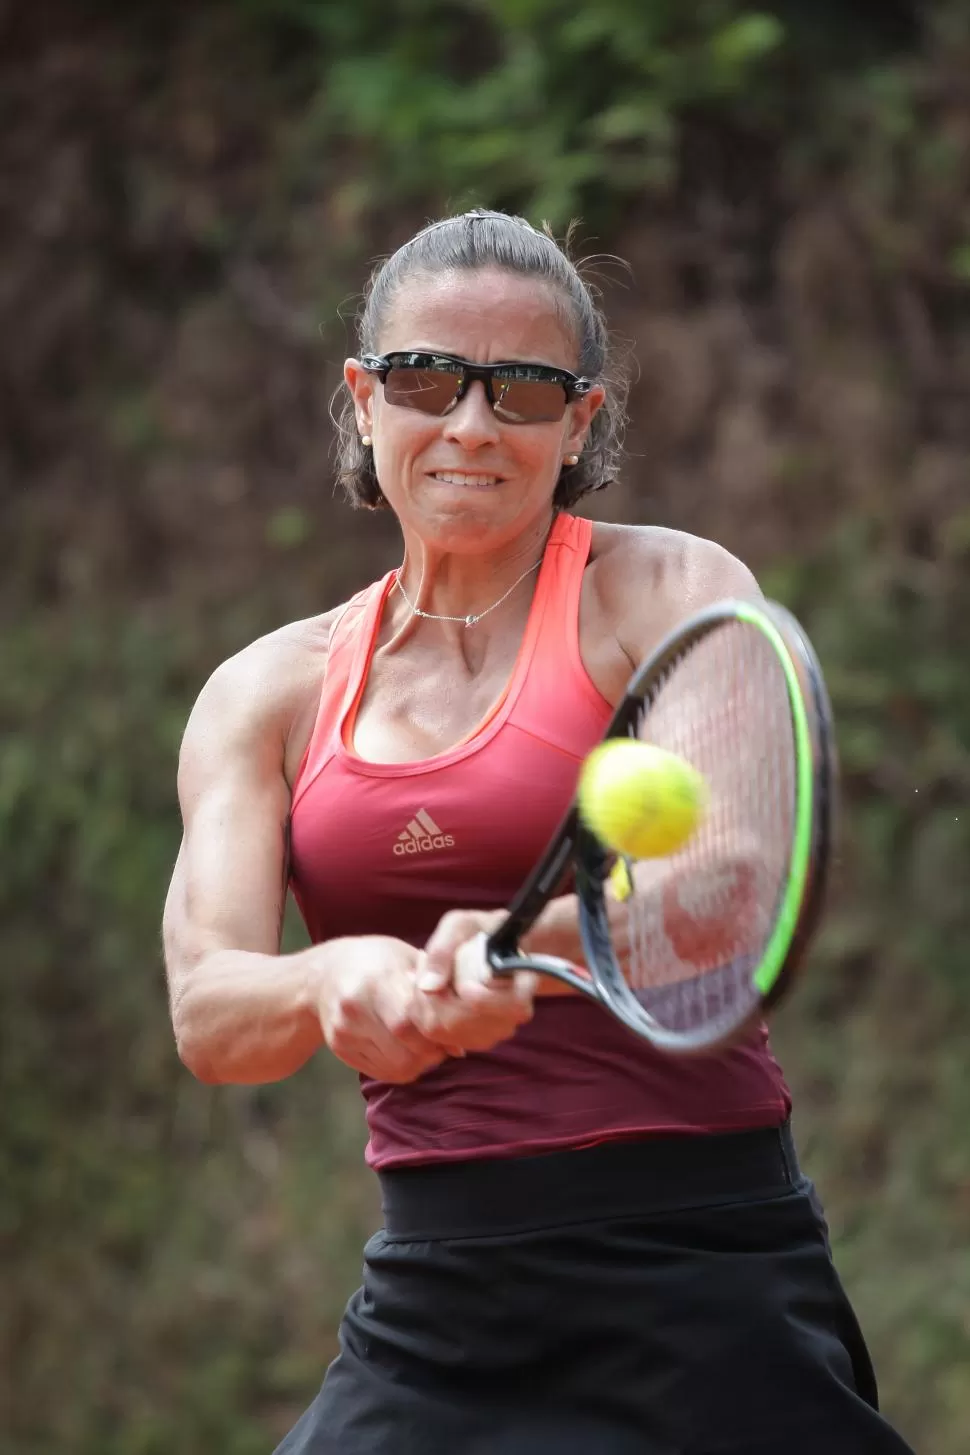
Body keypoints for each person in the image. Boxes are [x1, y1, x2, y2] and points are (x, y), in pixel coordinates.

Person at [163, 209, 914, 1454]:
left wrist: (522, 945)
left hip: (704, 1271)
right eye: (423, 380)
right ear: (362, 399)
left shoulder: (669, 595)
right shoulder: (268, 693)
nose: (469, 424)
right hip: (435, 1295)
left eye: (520, 390)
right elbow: (210, 1010)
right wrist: (331, 976)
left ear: (579, 421)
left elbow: (729, 893)